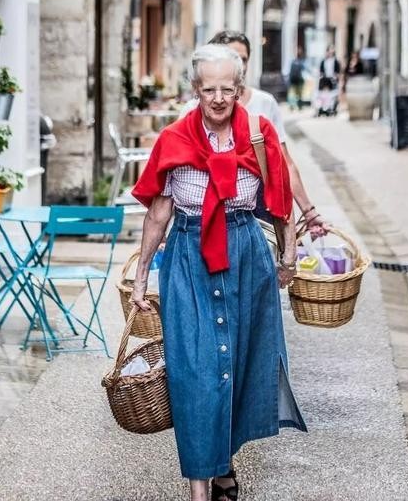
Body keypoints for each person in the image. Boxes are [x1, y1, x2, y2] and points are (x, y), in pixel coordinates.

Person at [131, 45, 307, 501]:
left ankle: (223, 463)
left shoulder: (258, 134)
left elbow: (279, 204)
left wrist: (288, 258)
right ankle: (199, 489)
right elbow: (158, 212)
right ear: (194, 89)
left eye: (227, 88)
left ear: (240, 89)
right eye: (208, 88)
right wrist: (141, 274)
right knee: (195, 373)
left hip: (246, 255)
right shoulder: (173, 139)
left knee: (239, 367)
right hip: (189, 256)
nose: (218, 98)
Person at [182, 30, 329, 238]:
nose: (239, 65)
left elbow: (284, 162)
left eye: (243, 59)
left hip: (259, 209)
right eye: (232, 58)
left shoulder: (264, 103)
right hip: (207, 211)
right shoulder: (191, 110)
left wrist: (309, 212)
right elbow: (176, 172)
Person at [288, 46, 307, 111]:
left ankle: (299, 106)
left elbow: (304, 70)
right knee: (293, 93)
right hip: (293, 79)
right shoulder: (293, 61)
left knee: (299, 94)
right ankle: (292, 106)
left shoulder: (301, 61)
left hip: (298, 80)